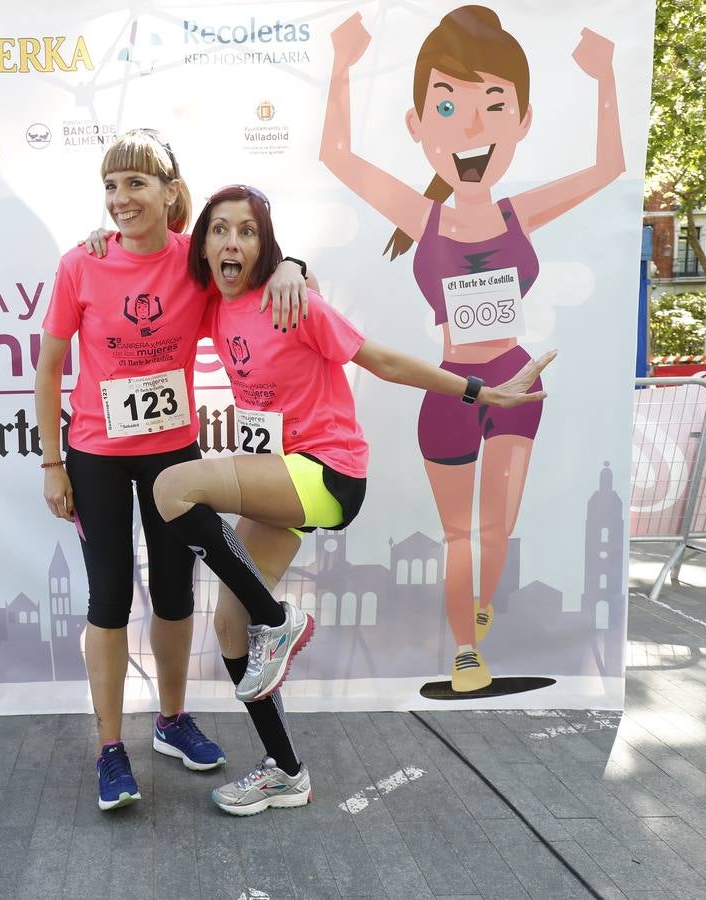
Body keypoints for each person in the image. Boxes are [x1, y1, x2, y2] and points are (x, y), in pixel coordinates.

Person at [150, 184, 551, 814]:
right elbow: (154, 255)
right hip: (277, 474)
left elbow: (384, 361)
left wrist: (482, 392)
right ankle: (286, 771)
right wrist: (104, 238)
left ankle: (279, 624)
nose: (233, 242)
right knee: (229, 622)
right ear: (203, 243)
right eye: (220, 230)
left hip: (328, 471)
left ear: (264, 246)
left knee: (174, 485)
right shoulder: (214, 308)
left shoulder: (295, 304)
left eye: (249, 232)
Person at [320, 6, 623, 691]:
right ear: (417, 125)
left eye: (494, 105)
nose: (472, 127)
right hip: (451, 389)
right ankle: (466, 649)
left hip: (519, 380)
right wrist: (342, 65)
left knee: (494, 529)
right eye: (448, 105)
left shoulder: (520, 211)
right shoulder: (422, 215)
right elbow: (336, 157)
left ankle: (478, 605)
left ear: (521, 121)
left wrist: (605, 76)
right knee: (459, 533)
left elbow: (609, 166)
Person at [34, 129, 309, 811]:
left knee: (176, 593)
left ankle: (172, 720)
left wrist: (292, 265)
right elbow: (48, 369)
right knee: (107, 599)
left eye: (136, 183)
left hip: (172, 457)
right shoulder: (81, 264)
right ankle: (108, 747)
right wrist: (52, 463)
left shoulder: (193, 265)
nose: (121, 199)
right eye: (111, 186)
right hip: (97, 455)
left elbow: (249, 260)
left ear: (168, 190)